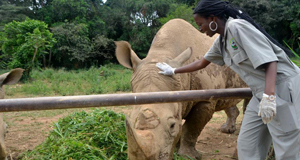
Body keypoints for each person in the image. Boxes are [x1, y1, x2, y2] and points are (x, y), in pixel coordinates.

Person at [156, 0, 300, 159]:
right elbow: (202, 62)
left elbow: (271, 61)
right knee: (248, 143)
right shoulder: (222, 41)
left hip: (281, 87)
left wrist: (270, 96)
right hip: (261, 92)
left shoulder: (237, 27)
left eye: (200, 24)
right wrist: (174, 70)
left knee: (287, 145)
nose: (200, 29)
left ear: (212, 19)